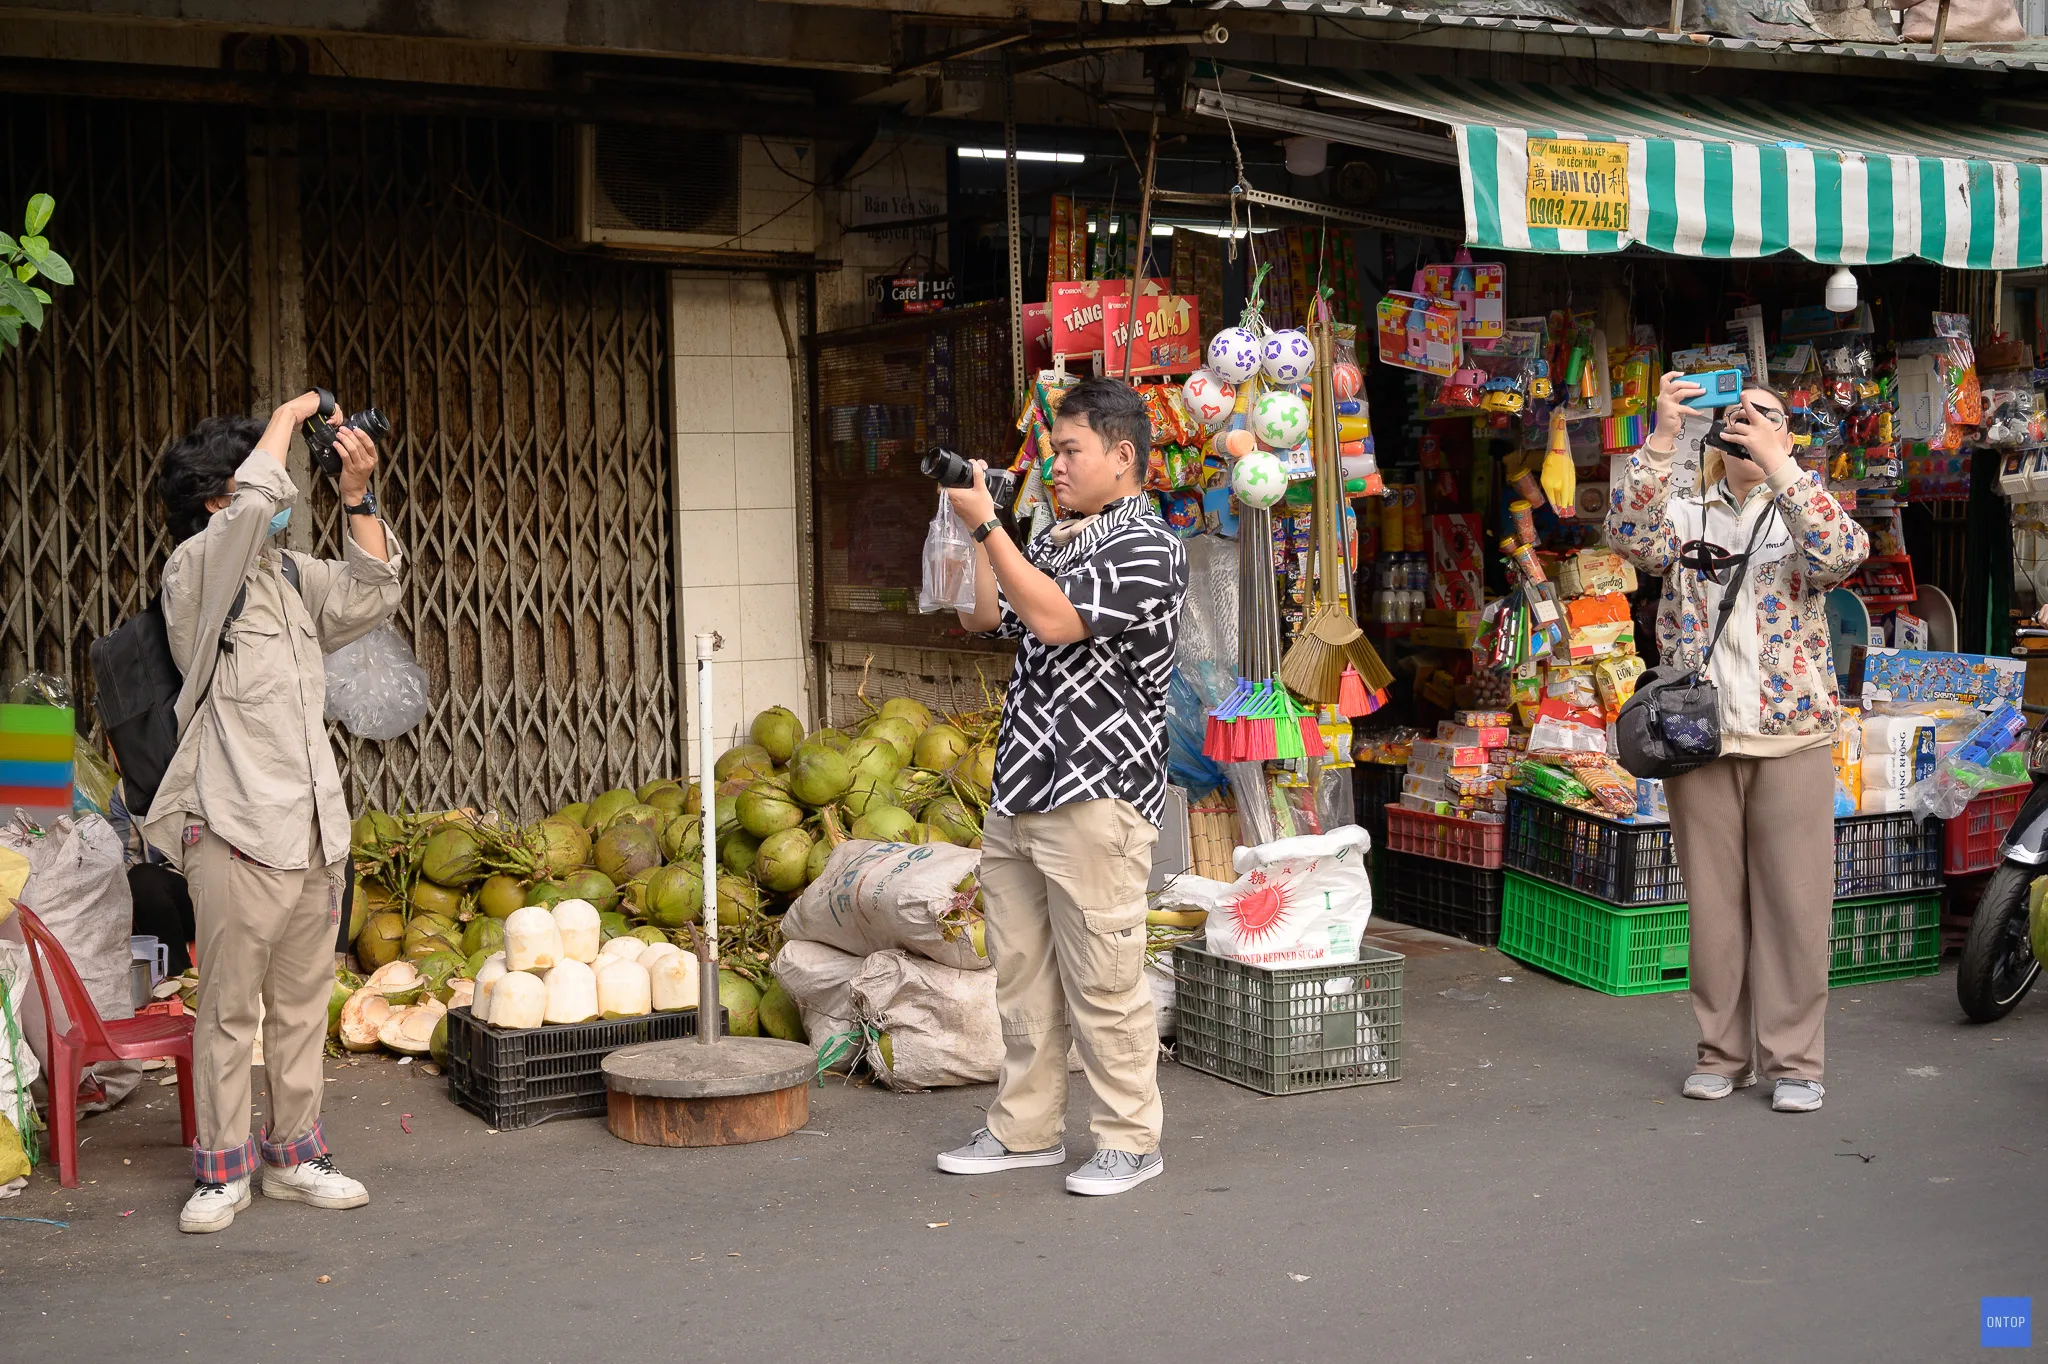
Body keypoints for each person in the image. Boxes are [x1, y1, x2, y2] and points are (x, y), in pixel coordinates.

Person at [142, 393, 405, 1232]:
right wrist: (290, 415)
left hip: (313, 831)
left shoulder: (287, 576)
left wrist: (358, 495)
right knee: (229, 1010)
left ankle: (295, 1155)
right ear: (215, 500)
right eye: (259, 474)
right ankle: (220, 1172)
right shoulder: (196, 573)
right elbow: (256, 503)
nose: (283, 487)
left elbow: (373, 593)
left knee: (299, 1009)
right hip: (235, 830)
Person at [932, 377, 1187, 1196]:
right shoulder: (1057, 539)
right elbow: (985, 618)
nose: (1059, 466)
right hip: (1022, 785)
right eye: (1054, 452)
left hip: (1099, 790)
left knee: (1104, 982)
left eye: (1071, 450)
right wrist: (976, 529)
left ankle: (1128, 1141)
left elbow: (1052, 620)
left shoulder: (1152, 546)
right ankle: (1024, 1132)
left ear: (1123, 455)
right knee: (1021, 976)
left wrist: (995, 527)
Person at [1607, 373, 1869, 1114]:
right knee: (1715, 909)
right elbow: (1626, 534)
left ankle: (1795, 1062)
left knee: (1794, 906)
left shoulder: (1805, 509)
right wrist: (1663, 436)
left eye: (1768, 416)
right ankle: (1721, 1053)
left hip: (1793, 739)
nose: (1749, 424)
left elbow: (1841, 555)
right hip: (1700, 740)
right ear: (1716, 439)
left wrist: (1783, 466)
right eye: (1737, 415)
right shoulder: (1684, 510)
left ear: (1788, 434)